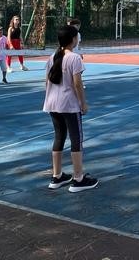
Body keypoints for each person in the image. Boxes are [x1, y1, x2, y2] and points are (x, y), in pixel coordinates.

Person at [43, 25, 98, 192]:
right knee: (76, 139)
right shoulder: (74, 58)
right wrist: (83, 103)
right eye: (77, 37)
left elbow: (46, 82)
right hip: (69, 105)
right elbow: (77, 84)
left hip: (52, 103)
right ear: (73, 39)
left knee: (59, 137)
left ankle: (57, 176)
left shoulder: (52, 57)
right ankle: (78, 178)